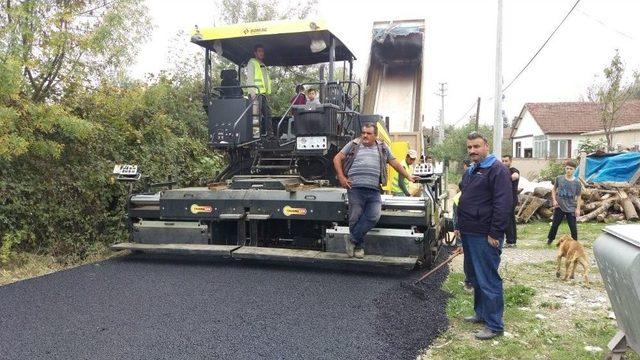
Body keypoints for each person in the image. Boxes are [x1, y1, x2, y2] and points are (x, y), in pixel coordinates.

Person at [455, 132, 512, 340]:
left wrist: (495, 232)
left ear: (486, 146)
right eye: (469, 147)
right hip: (470, 232)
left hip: (485, 234)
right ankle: (481, 313)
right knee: (476, 277)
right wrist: (460, 228)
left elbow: (503, 204)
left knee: (488, 278)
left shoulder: (497, 170)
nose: (472, 151)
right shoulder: (471, 171)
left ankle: (494, 325)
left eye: (476, 147)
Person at [333, 123, 419, 259]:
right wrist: (342, 177)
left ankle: (351, 239)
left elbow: (395, 163)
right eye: (363, 132)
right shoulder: (353, 144)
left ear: (375, 135)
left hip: (373, 189)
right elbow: (337, 158)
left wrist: (408, 176)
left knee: (373, 216)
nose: (365, 135)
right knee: (355, 217)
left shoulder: (383, 147)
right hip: (354, 188)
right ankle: (358, 247)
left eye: (368, 133)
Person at [547, 160, 582, 245]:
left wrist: (578, 209)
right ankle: (550, 240)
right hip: (559, 206)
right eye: (567, 168)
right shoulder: (559, 178)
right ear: (565, 169)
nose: (569, 170)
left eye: (571, 169)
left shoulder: (577, 182)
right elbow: (554, 189)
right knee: (555, 225)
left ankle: (575, 243)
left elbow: (579, 196)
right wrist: (554, 200)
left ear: (574, 170)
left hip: (571, 208)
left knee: (573, 227)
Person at [246, 44, 272, 136]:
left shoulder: (263, 65)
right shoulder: (252, 63)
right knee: (256, 115)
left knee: (268, 113)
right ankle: (256, 136)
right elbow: (250, 79)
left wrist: (268, 93)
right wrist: (252, 93)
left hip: (263, 94)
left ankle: (270, 135)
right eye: (259, 51)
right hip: (255, 94)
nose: (262, 53)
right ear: (255, 53)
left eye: (262, 51)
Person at [456, 159, 474, 293]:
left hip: (479, 228)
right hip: (467, 228)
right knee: (469, 257)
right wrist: (458, 229)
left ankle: (476, 281)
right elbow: (458, 213)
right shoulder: (460, 198)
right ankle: (469, 282)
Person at [501, 155, 520, 247]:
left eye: (506, 161)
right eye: (503, 161)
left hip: (511, 198)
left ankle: (511, 241)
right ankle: (511, 241)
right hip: (505, 199)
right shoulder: (502, 171)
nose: (504, 163)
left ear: (510, 161)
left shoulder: (513, 170)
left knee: (509, 220)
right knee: (509, 219)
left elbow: (515, 176)